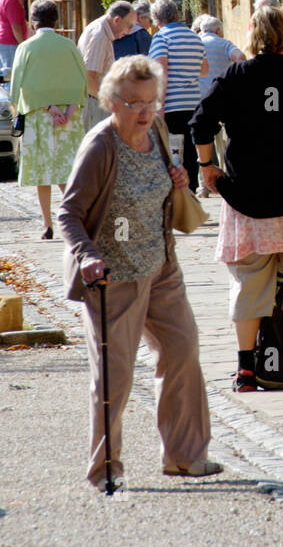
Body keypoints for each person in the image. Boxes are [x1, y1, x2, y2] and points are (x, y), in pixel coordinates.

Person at [57, 55, 222, 489]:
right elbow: (69, 213)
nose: (145, 111)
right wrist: (87, 255)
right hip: (113, 276)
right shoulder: (100, 146)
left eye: (151, 101)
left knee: (183, 351)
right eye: (134, 103)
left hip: (162, 265)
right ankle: (105, 468)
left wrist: (178, 179)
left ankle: (186, 457)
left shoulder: (159, 132)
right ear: (112, 101)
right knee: (115, 373)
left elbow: (164, 187)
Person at [189, 5, 283, 392]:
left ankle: (245, 368)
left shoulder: (235, 77)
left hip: (249, 198)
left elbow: (200, 123)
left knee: (249, 284)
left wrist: (208, 167)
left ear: (253, 35)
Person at [9, 0, 88, 239]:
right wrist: (69, 110)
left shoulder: (26, 47)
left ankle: (47, 224)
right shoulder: (69, 45)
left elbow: (16, 89)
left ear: (32, 21)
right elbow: (82, 81)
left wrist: (49, 107)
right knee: (67, 171)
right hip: (69, 117)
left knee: (43, 173)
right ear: (56, 20)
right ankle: (75, 220)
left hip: (39, 116)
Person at [148, 0, 207, 193]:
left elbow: (160, 73)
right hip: (194, 102)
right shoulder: (194, 37)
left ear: (156, 18)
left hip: (172, 104)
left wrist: (159, 107)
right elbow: (204, 70)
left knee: (171, 153)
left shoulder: (161, 38)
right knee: (190, 152)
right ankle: (190, 194)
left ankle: (177, 196)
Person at [191, 14, 246, 194]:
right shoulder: (224, 44)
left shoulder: (195, 43)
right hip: (224, 99)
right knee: (223, 141)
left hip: (199, 98)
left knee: (202, 141)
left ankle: (203, 186)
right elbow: (241, 57)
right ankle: (225, 177)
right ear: (218, 30)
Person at [77, 1, 134, 132]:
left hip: (95, 102)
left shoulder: (101, 31)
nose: (129, 31)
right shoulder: (100, 35)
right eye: (129, 26)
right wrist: (111, 103)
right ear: (117, 20)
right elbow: (89, 78)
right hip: (95, 103)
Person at [0, 0, 30, 73]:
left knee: (6, 75)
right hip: (11, 42)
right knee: (12, 74)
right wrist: (23, 45)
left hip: (5, 41)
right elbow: (15, 26)